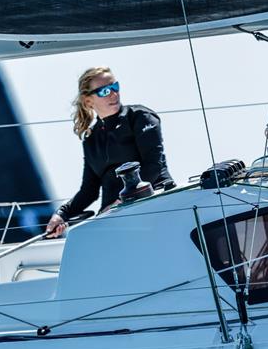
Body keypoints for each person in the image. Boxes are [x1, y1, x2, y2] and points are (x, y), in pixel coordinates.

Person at [46, 67, 173, 237]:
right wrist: (61, 214)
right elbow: (89, 191)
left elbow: (153, 166)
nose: (114, 94)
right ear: (88, 101)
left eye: (115, 87)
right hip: (114, 220)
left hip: (153, 206)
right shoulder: (91, 139)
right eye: (105, 91)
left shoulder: (140, 116)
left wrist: (118, 204)